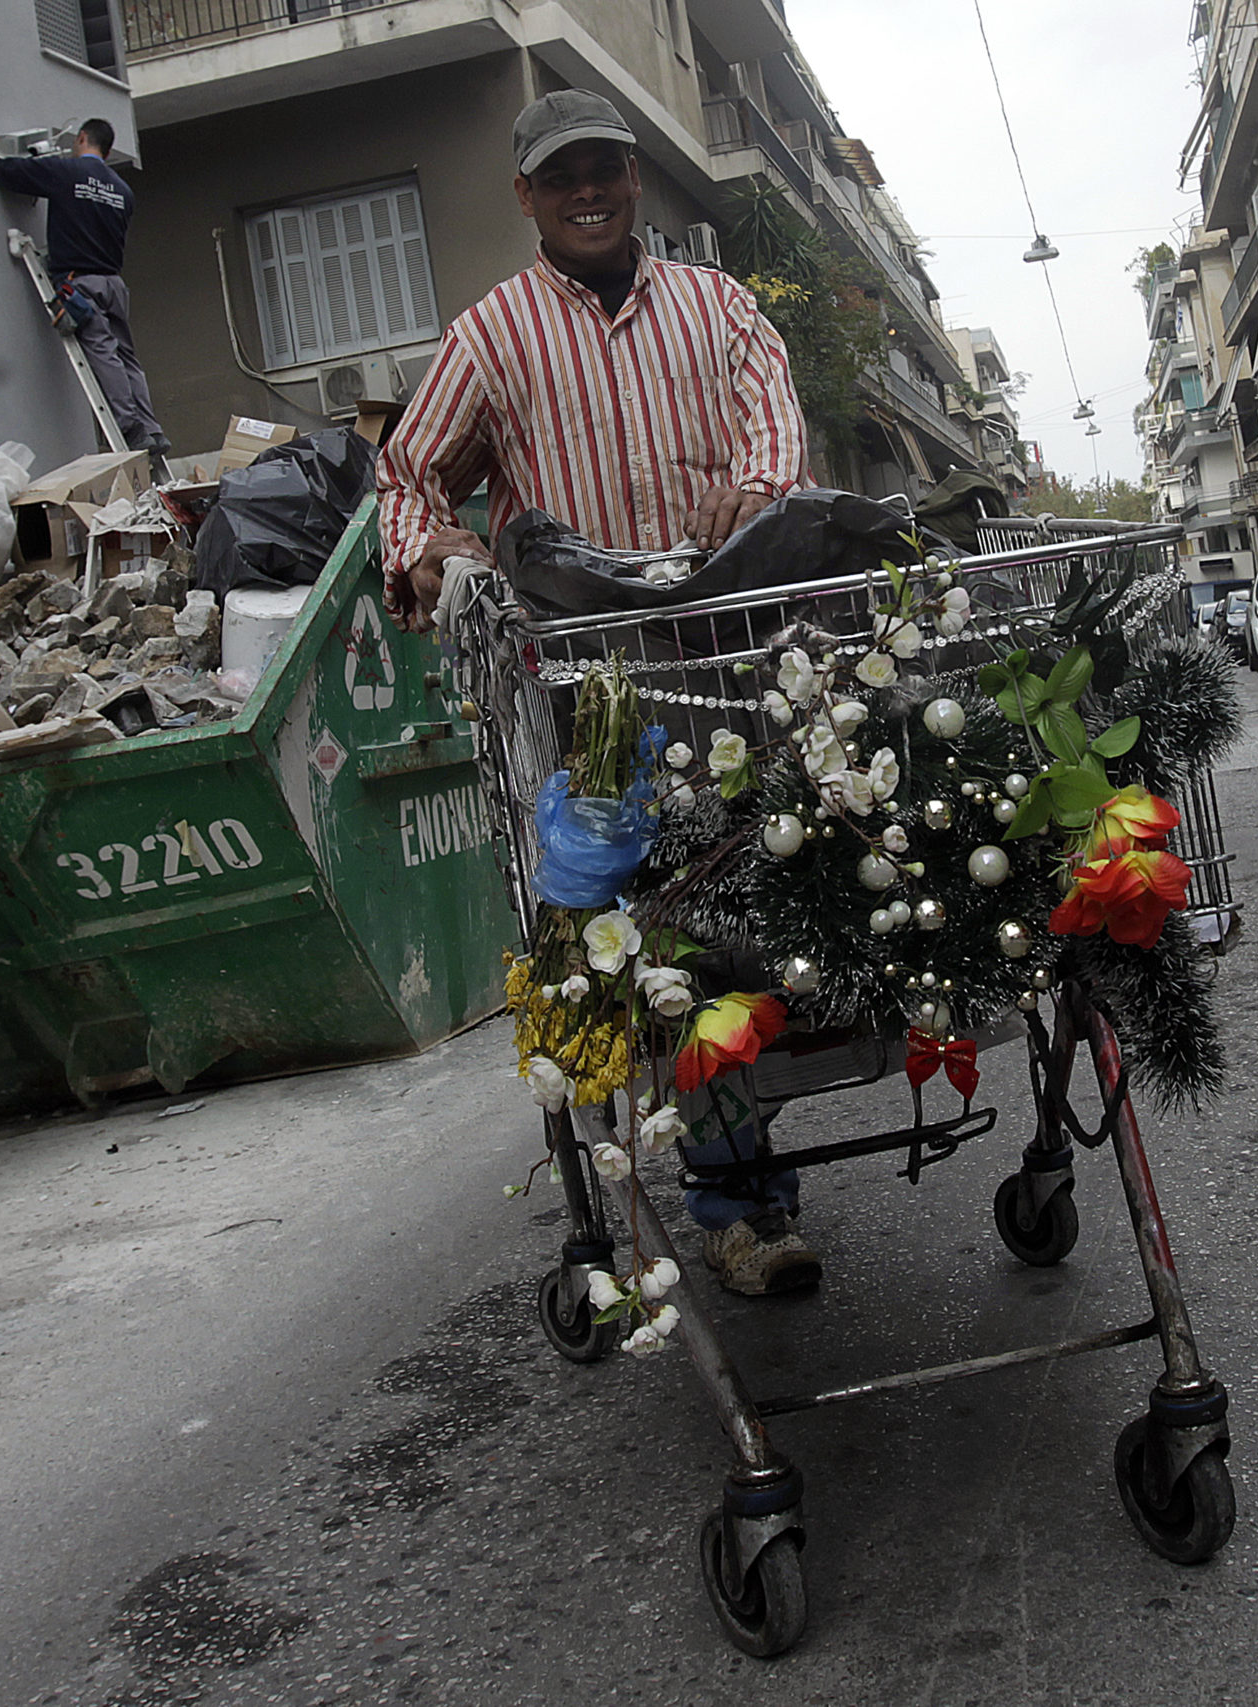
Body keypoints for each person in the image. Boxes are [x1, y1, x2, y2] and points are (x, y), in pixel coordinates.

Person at [376, 89, 820, 1296]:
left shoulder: (717, 306)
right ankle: (739, 1205)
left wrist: (758, 488)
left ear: (636, 182)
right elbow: (408, 480)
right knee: (666, 937)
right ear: (525, 194)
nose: (588, 190)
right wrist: (435, 553)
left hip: (734, 667)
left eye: (606, 169)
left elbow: (773, 435)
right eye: (561, 173)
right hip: (591, 706)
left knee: (770, 905)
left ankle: (762, 1124)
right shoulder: (492, 337)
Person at [0, 118, 169, 458]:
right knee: (126, 357)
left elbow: (8, 174)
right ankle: (151, 429)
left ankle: (129, 427)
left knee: (102, 352)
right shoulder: (122, 190)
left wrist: (31, 159)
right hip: (113, 283)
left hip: (80, 282)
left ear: (83, 138)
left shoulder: (67, 173)